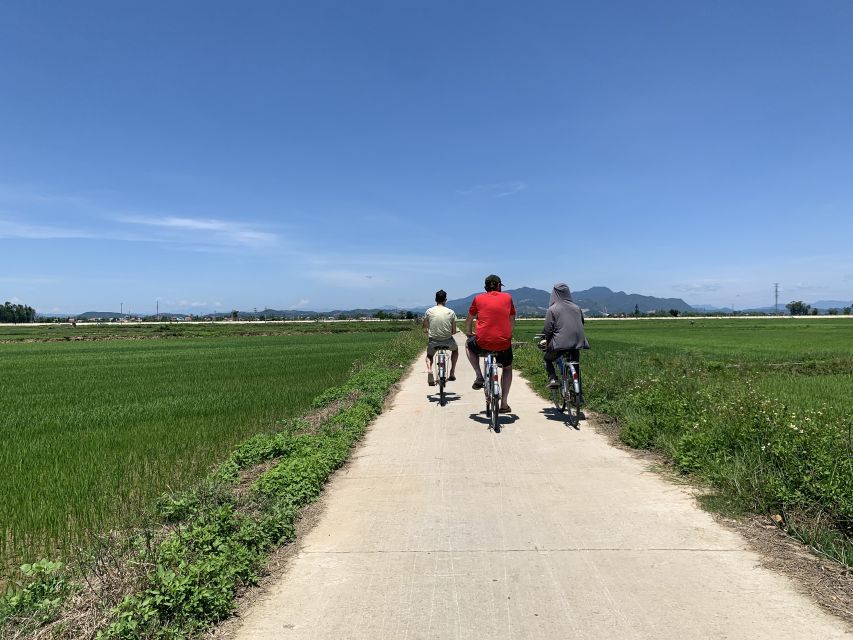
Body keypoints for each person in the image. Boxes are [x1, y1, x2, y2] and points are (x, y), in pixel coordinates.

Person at [465, 274, 515, 413]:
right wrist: (508, 335)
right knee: (507, 368)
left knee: (467, 345)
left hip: (483, 342)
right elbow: (512, 320)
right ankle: (504, 403)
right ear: (499, 286)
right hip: (503, 343)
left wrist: (469, 333)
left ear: (485, 287)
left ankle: (479, 375)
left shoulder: (478, 298)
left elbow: (469, 320)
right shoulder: (508, 297)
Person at [540, 282, 589, 402]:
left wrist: (545, 339)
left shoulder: (553, 309)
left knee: (547, 359)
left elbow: (548, 329)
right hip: (577, 343)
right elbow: (581, 323)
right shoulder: (577, 308)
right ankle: (578, 395)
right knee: (575, 365)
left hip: (559, 344)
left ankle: (553, 379)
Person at [422, 289, 458, 386]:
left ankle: (429, 370)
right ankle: (452, 371)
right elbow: (454, 331)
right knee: (455, 350)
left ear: (435, 299)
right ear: (445, 300)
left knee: (429, 356)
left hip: (433, 341)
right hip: (447, 341)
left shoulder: (429, 311)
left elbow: (424, 327)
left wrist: (427, 332)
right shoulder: (451, 312)